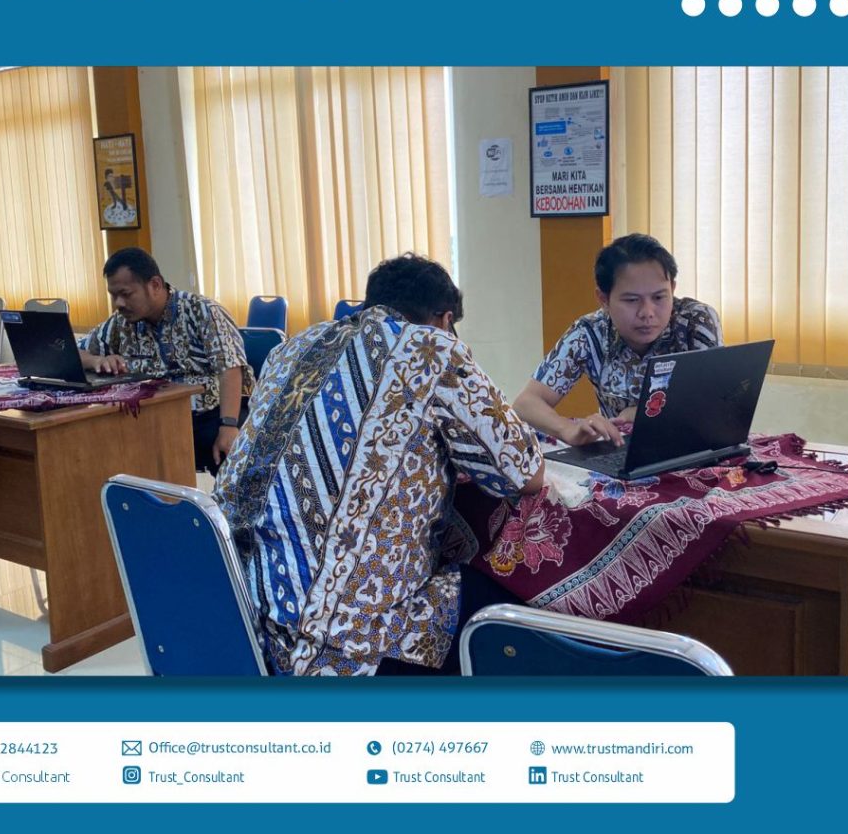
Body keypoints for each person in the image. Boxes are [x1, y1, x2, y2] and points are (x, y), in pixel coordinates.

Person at [214, 253, 544, 676]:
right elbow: (525, 473)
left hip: (245, 619)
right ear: (445, 319)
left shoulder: (292, 346)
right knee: (511, 587)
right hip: (339, 642)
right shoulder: (431, 347)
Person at [513, 233, 722, 448]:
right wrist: (567, 429)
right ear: (604, 299)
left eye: (659, 297)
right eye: (632, 300)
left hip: (693, 447)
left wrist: (643, 413)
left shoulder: (695, 321)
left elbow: (718, 402)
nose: (647, 312)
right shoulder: (589, 332)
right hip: (620, 450)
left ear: (673, 289)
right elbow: (526, 403)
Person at [78, 247, 254, 474]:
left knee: (229, 457)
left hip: (212, 414)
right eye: (113, 295)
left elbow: (230, 368)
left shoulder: (202, 311)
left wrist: (228, 426)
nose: (118, 303)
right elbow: (76, 353)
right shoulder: (120, 323)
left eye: (126, 294)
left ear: (155, 285)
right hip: (156, 418)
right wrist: (95, 360)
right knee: (107, 444)